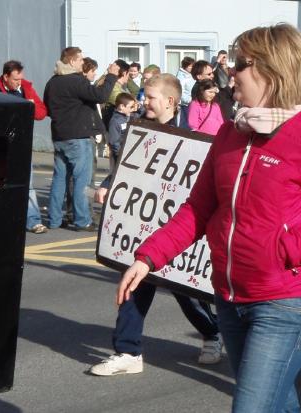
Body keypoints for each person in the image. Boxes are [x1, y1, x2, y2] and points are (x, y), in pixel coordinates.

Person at [115, 24, 301, 411]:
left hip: (285, 302)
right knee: (277, 403)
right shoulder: (231, 135)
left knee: (251, 407)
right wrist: (149, 257)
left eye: (239, 64)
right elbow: (199, 208)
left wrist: (281, 248)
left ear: (272, 70)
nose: (229, 73)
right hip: (229, 298)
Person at [90, 73, 223, 376]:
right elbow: (127, 164)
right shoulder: (139, 128)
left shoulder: (192, 139)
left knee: (185, 293)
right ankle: (127, 350)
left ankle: (212, 333)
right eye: (144, 96)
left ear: (170, 101)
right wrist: (109, 183)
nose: (143, 102)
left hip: (177, 231)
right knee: (135, 284)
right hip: (142, 227)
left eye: (149, 97)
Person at [43, 46, 119, 231]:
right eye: (80, 60)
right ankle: (82, 220)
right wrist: (111, 76)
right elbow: (100, 96)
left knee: (60, 178)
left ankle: (54, 219)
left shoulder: (53, 82)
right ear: (71, 61)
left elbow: (47, 105)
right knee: (81, 181)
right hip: (78, 136)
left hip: (60, 135)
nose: (83, 62)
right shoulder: (75, 81)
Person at [0, 60, 48, 234]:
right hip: (1, 146)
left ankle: (33, 220)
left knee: (27, 183)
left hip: (23, 143)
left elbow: (42, 113)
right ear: (5, 77)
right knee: (0, 182)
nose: (18, 82)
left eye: (20, 78)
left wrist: (30, 106)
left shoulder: (26, 88)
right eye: (15, 79)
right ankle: (1, 219)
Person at [107, 92, 137, 168]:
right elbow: (114, 141)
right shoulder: (116, 121)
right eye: (131, 107)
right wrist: (120, 154)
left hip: (127, 153)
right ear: (122, 106)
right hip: (120, 155)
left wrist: (139, 106)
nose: (132, 109)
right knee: (114, 176)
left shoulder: (127, 116)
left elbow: (141, 113)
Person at [176, 56, 196, 129]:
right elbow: (180, 91)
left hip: (194, 102)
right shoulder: (181, 76)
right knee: (186, 124)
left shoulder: (191, 75)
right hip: (186, 104)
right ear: (185, 66)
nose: (192, 68)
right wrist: (190, 100)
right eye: (190, 66)